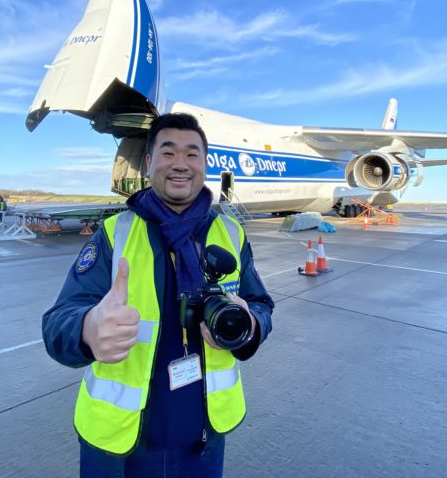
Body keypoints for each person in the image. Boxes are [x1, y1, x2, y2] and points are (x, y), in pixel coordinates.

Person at [42, 112, 274, 478]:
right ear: (149, 163)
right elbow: (57, 322)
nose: (180, 164)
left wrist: (251, 324)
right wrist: (87, 329)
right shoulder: (114, 234)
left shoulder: (230, 233)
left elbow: (261, 306)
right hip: (119, 446)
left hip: (203, 442)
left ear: (204, 164)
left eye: (192, 154)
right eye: (168, 152)